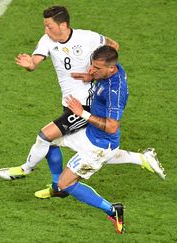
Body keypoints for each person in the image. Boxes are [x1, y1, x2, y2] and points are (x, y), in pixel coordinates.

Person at [0, 6, 165, 199]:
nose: (46, 31)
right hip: (69, 103)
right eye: (45, 26)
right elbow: (35, 61)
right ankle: (141, 159)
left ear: (63, 25)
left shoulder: (87, 37)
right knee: (90, 150)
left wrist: (92, 74)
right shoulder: (47, 41)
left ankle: (26, 169)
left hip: (84, 105)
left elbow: (113, 47)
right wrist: (30, 65)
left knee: (45, 136)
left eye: (49, 26)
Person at [53, 45, 130, 234]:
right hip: (89, 133)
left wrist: (82, 114)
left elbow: (112, 126)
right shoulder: (111, 68)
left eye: (96, 68)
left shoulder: (115, 92)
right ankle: (56, 187)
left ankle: (113, 210)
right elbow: (112, 47)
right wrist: (92, 76)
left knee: (67, 183)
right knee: (48, 140)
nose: (91, 70)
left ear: (111, 69)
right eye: (92, 66)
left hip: (99, 146)